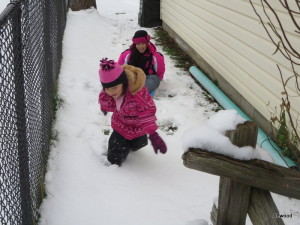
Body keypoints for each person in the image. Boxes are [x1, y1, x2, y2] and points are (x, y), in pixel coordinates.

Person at [98, 58, 167, 166]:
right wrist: (104, 107)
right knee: (115, 156)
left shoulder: (138, 95)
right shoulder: (109, 91)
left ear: (123, 82)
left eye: (115, 87)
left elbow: (147, 113)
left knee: (140, 144)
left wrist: (154, 135)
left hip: (139, 127)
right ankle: (114, 166)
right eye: (107, 88)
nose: (111, 92)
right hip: (120, 125)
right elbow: (105, 98)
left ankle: (130, 146)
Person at [118, 30, 165, 94]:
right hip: (133, 78)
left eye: (143, 43)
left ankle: (138, 92)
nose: (140, 46)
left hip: (147, 78)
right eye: (138, 44)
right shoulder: (127, 54)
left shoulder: (156, 56)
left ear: (147, 43)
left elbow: (159, 74)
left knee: (154, 79)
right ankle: (132, 92)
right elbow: (120, 69)